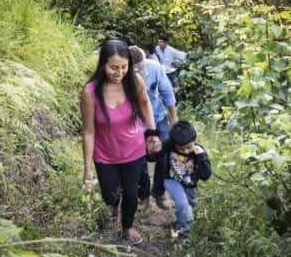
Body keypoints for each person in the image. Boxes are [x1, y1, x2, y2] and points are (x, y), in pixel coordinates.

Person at [80, 39, 161, 245]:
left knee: (132, 193)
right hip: (104, 153)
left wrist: (152, 132)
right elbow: (89, 131)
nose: (119, 72)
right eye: (113, 67)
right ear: (103, 64)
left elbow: (145, 104)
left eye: (124, 67)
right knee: (110, 195)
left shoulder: (135, 82)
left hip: (133, 149)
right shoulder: (90, 92)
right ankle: (114, 206)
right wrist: (87, 169)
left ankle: (127, 227)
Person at [128, 45, 178, 209]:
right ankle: (143, 195)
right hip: (134, 121)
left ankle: (159, 192)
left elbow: (167, 91)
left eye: (140, 68)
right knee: (138, 157)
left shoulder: (155, 68)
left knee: (164, 151)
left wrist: (174, 118)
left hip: (157, 117)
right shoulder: (119, 75)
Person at [153, 121, 212, 238]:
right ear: (174, 144)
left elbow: (206, 175)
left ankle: (179, 222)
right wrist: (154, 149)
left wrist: (202, 156)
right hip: (172, 180)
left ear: (195, 140)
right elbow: (154, 157)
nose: (185, 151)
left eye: (189, 147)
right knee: (183, 205)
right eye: (181, 148)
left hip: (190, 184)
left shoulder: (199, 152)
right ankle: (184, 233)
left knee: (190, 206)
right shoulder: (169, 145)